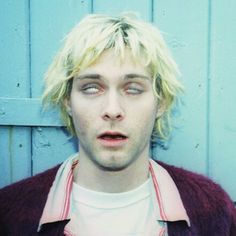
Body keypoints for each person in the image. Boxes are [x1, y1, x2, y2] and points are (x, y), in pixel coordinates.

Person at [0, 13, 235, 236]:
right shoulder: (9, 214)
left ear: (160, 102)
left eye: (133, 89)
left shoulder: (214, 210)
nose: (112, 110)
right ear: (67, 101)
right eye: (91, 88)